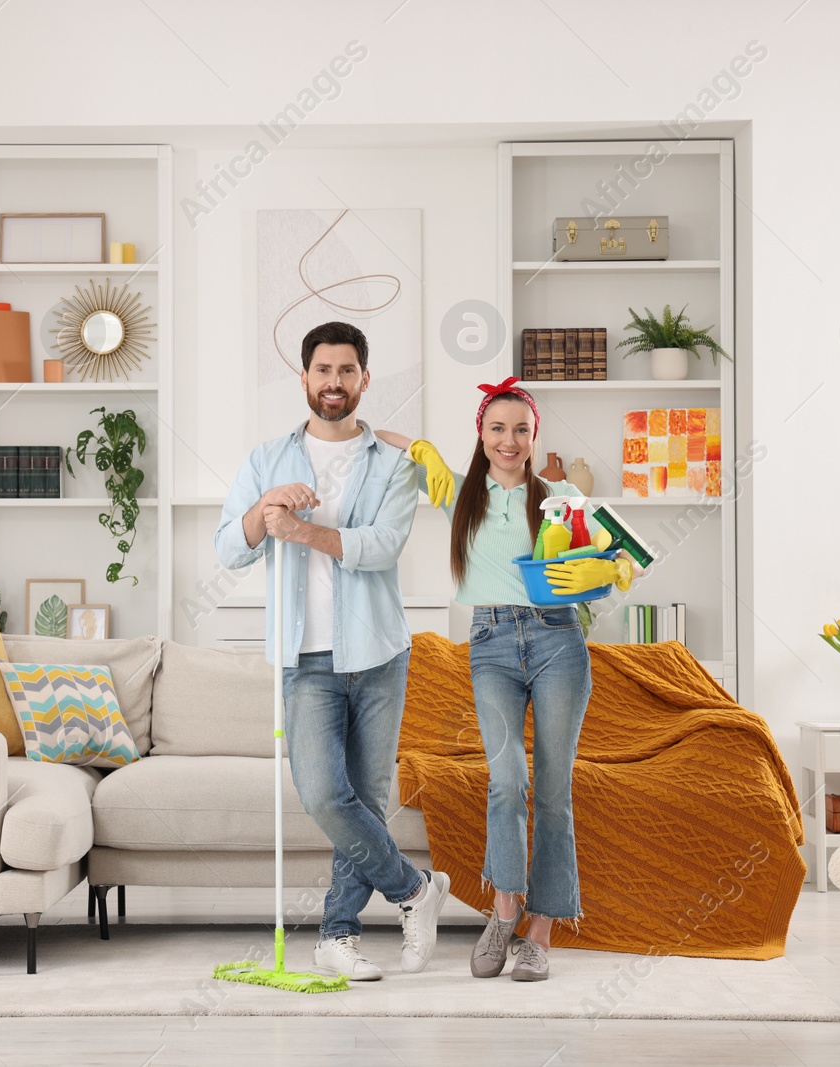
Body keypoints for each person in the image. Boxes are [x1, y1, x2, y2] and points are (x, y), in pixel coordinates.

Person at [377, 376, 642, 981]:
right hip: (491, 643)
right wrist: (362, 432)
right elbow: (406, 448)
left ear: (533, 436)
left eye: (520, 429)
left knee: (552, 790)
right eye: (497, 428)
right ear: (481, 433)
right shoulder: (462, 495)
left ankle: (541, 932)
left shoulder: (560, 496)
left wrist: (615, 571)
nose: (509, 440)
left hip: (558, 642)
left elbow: (627, 552)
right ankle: (504, 911)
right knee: (505, 781)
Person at [214, 321, 452, 981]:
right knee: (324, 792)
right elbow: (229, 547)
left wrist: (303, 529)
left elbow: (378, 549)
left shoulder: (394, 464)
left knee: (366, 801)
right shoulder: (267, 459)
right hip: (306, 658)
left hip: (378, 653)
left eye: (347, 371)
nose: (334, 383)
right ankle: (416, 891)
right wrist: (267, 511)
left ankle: (337, 937)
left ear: (364, 380)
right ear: (305, 378)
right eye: (323, 370)